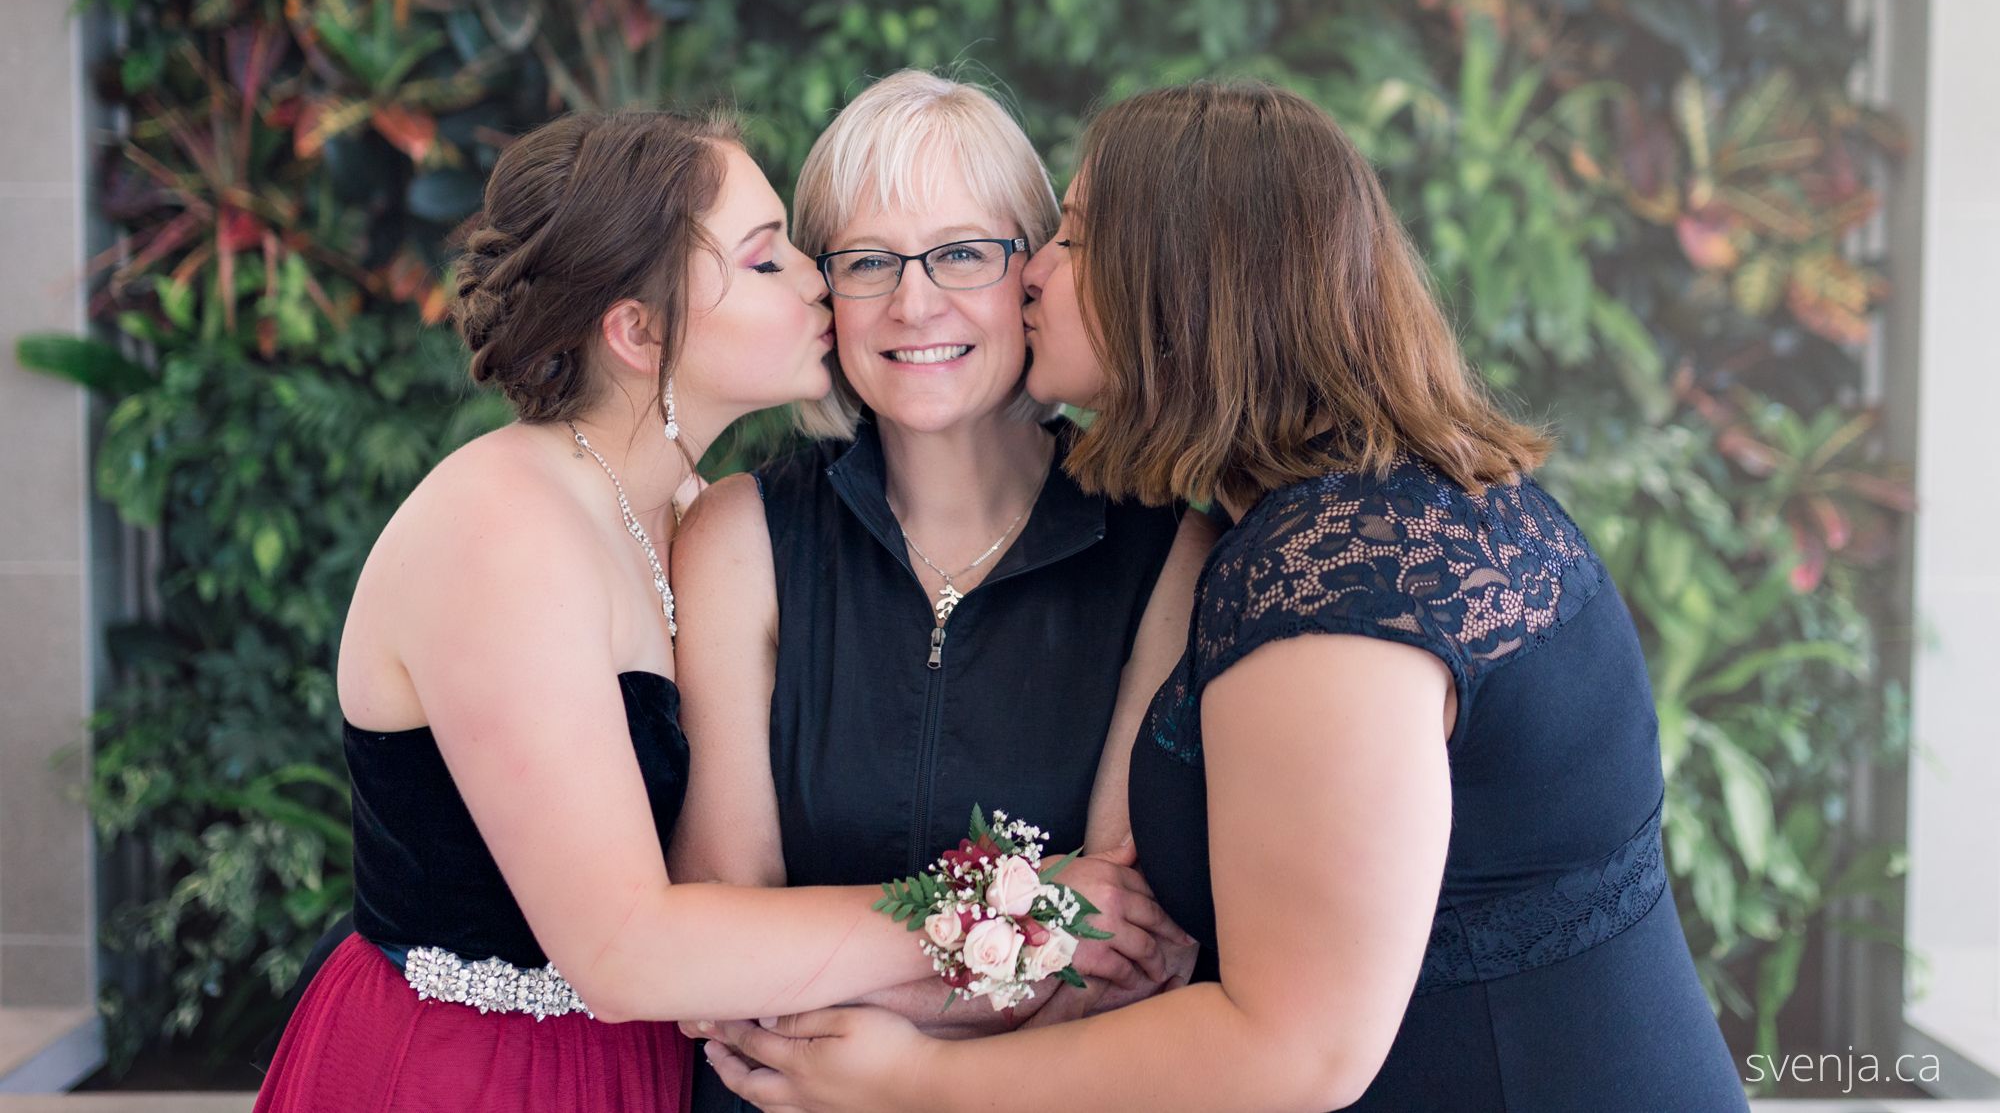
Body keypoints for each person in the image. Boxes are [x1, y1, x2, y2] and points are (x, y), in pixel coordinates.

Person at [695, 80, 1751, 1111]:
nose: (1032, 278)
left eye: (1061, 239)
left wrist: (912, 1081)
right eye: (869, 259)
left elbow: (1285, 1043)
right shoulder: (1342, 525)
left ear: (1180, 280)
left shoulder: (1333, 576)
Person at [254, 108, 1165, 1113]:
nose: (823, 282)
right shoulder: (504, 530)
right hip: (471, 1076)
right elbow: (629, 947)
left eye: (956, 254)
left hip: (631, 1069)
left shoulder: (665, 509)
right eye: (772, 260)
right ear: (640, 332)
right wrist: (1018, 910)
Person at [672, 71, 1212, 1111]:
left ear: (1036, 271)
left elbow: (1117, 948)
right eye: (868, 261)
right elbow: (711, 933)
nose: (913, 302)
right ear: (826, 290)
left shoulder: (1164, 546)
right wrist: (1022, 911)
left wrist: (896, 1061)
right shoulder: (742, 532)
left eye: (961, 252)